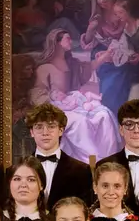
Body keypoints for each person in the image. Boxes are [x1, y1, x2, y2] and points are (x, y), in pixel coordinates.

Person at [28, 34, 121, 162]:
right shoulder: (44, 68)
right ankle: (91, 160)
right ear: (57, 42)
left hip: (75, 102)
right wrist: (55, 101)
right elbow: (37, 93)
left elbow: (88, 68)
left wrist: (105, 56)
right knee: (80, 121)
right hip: (57, 108)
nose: (71, 41)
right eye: (67, 38)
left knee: (104, 114)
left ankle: (109, 159)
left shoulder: (72, 64)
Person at [25, 102, 96, 206]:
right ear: (32, 132)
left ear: (61, 130)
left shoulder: (82, 170)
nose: (45, 133)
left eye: (51, 126)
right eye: (39, 127)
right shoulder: (18, 170)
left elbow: (85, 208)